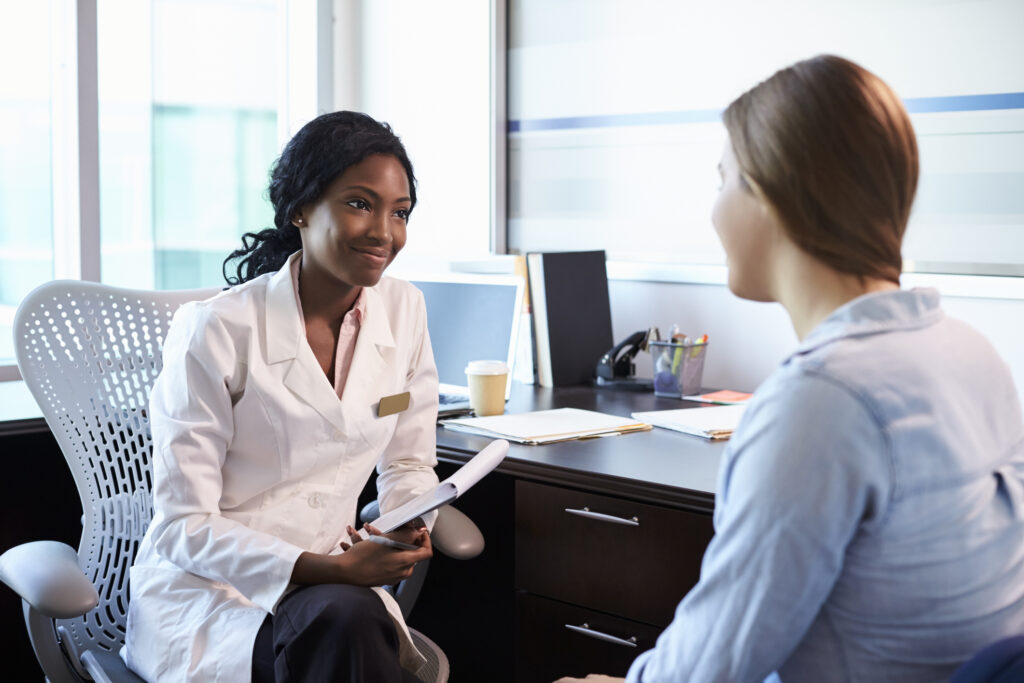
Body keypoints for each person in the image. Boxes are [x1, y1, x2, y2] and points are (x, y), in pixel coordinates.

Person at [557, 55, 1024, 682]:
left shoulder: (822, 401)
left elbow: (713, 667)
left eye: (723, 179)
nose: (714, 209)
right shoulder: (968, 349)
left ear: (775, 193)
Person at [122, 111, 441, 682]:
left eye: (400, 213)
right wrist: (333, 571)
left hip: (336, 594)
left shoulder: (405, 310)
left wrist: (405, 521)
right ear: (300, 208)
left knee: (344, 624)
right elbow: (181, 526)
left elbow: (410, 462)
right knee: (345, 626)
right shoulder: (216, 330)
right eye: (360, 204)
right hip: (211, 595)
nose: (384, 233)